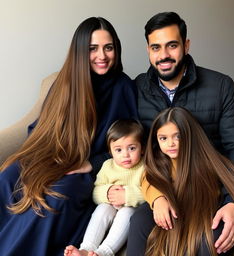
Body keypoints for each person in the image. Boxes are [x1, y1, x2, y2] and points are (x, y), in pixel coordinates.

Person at [0, 17, 138, 256]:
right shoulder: (65, 83)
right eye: (92, 49)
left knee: (59, 194)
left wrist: (89, 164)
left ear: (116, 49)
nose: (102, 56)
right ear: (80, 51)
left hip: (91, 171)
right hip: (54, 156)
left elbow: (130, 144)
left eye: (108, 48)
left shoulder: (123, 87)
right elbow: (43, 127)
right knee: (9, 175)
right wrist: (48, 157)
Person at [127, 11, 234, 255]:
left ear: (186, 45)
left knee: (213, 241)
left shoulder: (220, 86)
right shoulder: (137, 89)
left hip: (209, 191)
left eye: (172, 45)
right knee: (138, 224)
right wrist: (156, 198)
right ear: (148, 50)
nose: (163, 55)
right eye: (156, 47)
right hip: (165, 189)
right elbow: (131, 147)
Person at [143, 107, 234, 256]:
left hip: (201, 217)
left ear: (189, 136)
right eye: (163, 138)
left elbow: (229, 182)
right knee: (138, 217)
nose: (171, 144)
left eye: (178, 136)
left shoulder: (209, 161)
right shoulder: (158, 163)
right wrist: (158, 199)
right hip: (174, 218)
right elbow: (147, 178)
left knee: (205, 241)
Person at [64, 119, 145, 256]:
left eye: (132, 148)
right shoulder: (108, 165)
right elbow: (96, 191)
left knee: (126, 213)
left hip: (132, 209)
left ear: (142, 149)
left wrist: (127, 196)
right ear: (111, 151)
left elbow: (150, 192)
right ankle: (86, 249)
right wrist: (107, 192)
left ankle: (104, 252)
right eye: (118, 150)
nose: (125, 154)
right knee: (102, 209)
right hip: (111, 206)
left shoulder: (145, 167)